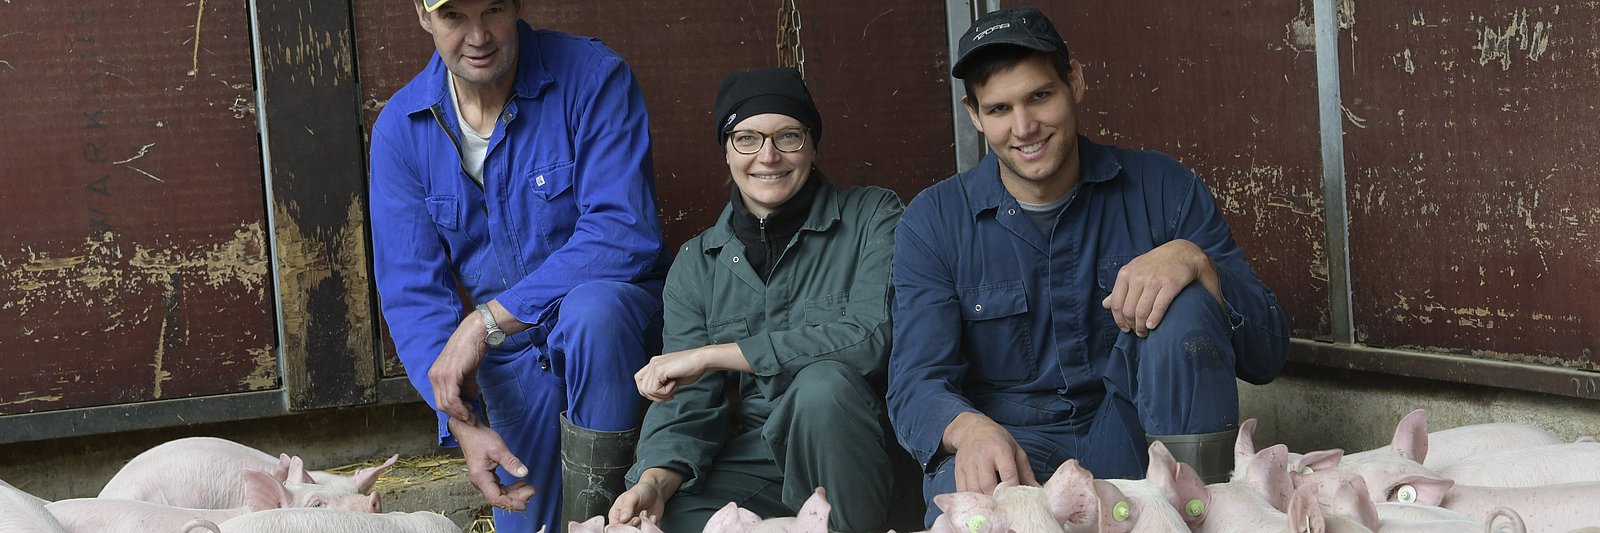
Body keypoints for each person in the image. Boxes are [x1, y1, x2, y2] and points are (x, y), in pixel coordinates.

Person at [886, 5, 1291, 525]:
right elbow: (915, 380)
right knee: (976, 505)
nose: (1024, 127)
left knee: (1188, 300)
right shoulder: (935, 220)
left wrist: (1199, 264)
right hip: (1012, 453)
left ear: (1074, 81)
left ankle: (1196, 518)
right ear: (974, 114)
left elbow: (1268, 354)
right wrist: (967, 429)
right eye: (999, 109)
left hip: (1142, 439)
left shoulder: (1162, 188)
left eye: (1040, 96)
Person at [367, 0, 670, 530]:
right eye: (454, 17)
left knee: (591, 311)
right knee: (526, 515)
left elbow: (623, 232)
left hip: (615, 338)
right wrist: (462, 424)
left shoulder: (592, 77)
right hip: (511, 364)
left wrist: (485, 321)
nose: (478, 35)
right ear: (423, 15)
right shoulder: (402, 128)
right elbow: (413, 293)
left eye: (493, 10)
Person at [608, 67, 904, 533]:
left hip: (853, 453)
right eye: (746, 138)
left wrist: (711, 356)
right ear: (726, 150)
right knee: (670, 519)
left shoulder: (872, 216)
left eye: (788, 136)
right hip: (759, 458)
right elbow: (687, 407)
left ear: (812, 144)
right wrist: (654, 482)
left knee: (822, 388)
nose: (767, 156)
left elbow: (870, 338)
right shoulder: (697, 262)